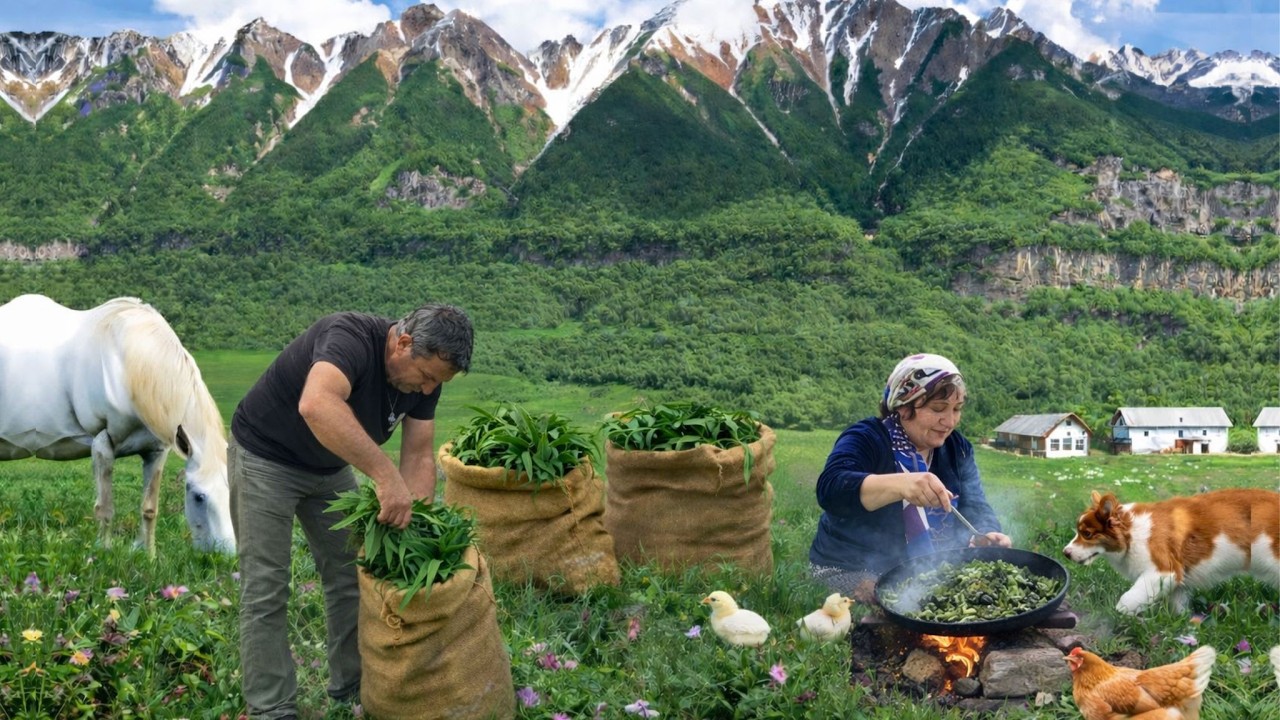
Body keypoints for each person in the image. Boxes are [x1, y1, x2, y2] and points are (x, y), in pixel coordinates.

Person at [228, 304, 473, 720]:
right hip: (266, 458)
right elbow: (316, 404)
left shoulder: (425, 380)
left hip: (329, 466)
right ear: (404, 343)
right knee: (267, 586)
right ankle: (272, 707)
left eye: (438, 382)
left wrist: (415, 527)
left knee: (352, 577)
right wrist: (385, 477)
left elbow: (418, 455)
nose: (429, 389)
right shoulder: (349, 337)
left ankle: (352, 690)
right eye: (427, 376)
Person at [808, 352, 1011, 602]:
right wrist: (902, 485)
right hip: (851, 566)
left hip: (928, 566)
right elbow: (831, 489)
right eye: (938, 409)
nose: (950, 421)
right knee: (901, 603)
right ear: (904, 407)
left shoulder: (957, 448)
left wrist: (987, 532)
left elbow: (975, 504)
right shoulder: (867, 437)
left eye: (957, 409)